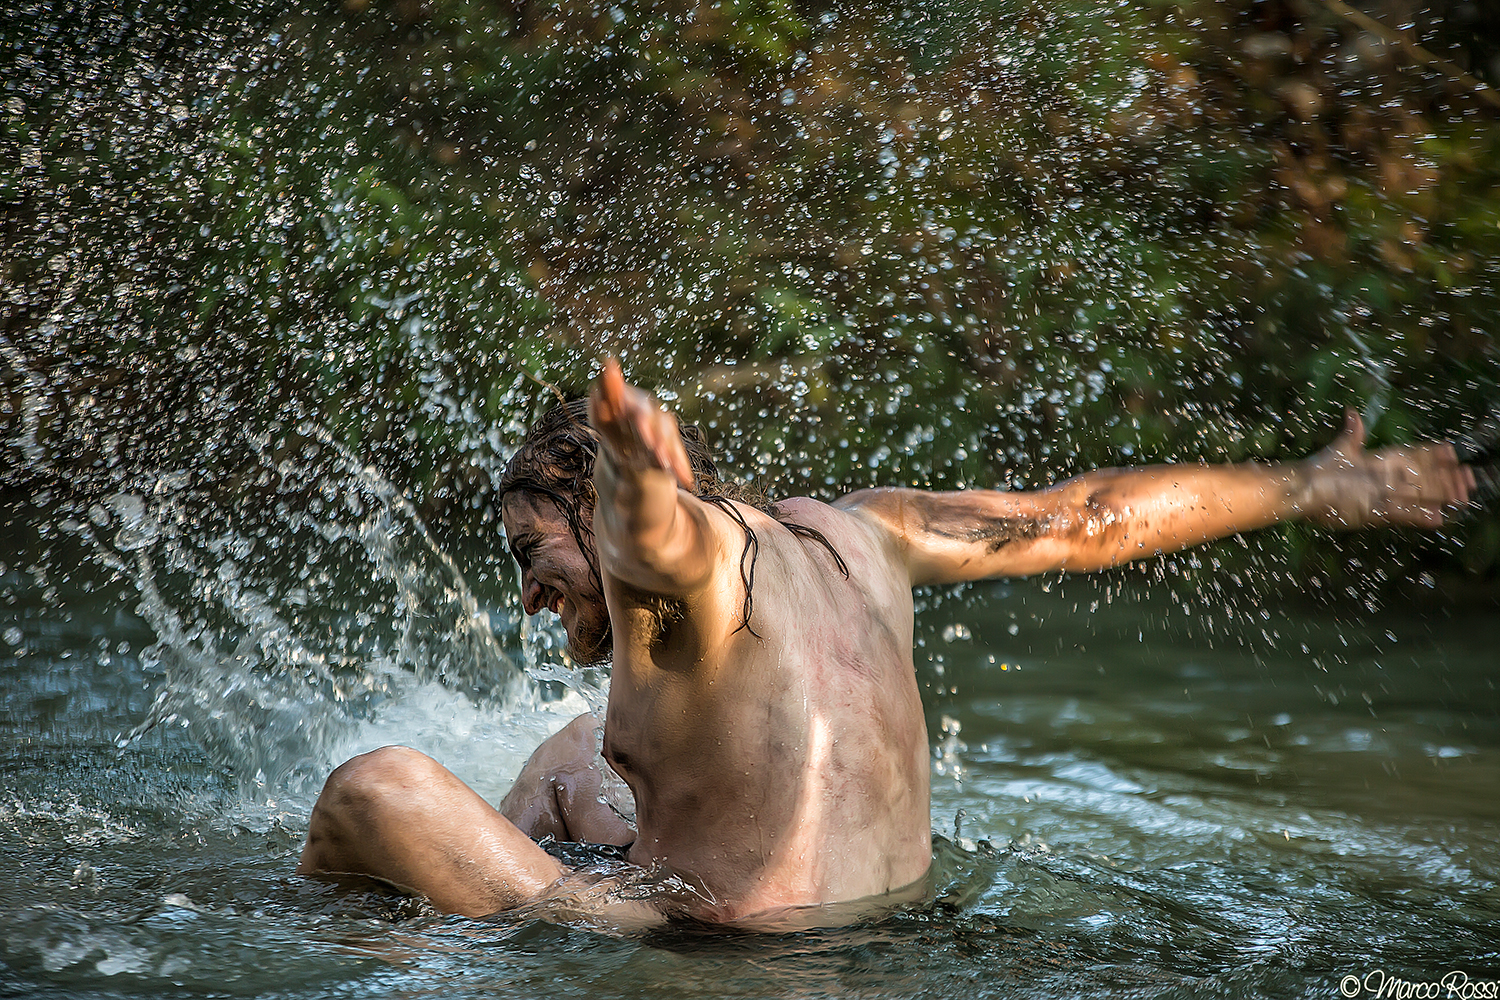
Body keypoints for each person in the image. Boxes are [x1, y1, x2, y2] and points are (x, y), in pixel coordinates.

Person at [297, 358, 1475, 927]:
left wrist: (637, 482)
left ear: (595, 518)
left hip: (734, 960)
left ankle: (385, 950)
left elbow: (661, 542)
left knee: (372, 790)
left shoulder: (681, 569)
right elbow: (1087, 518)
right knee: (568, 754)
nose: (527, 596)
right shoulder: (866, 534)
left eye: (531, 553)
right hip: (905, 933)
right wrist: (1310, 486)